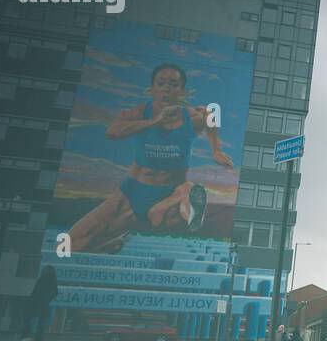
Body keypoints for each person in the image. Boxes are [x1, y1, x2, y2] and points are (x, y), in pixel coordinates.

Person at [66, 64, 234, 253]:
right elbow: (112, 132)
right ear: (152, 89)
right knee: (70, 244)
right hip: (133, 191)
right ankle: (109, 245)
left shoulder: (192, 118)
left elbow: (211, 117)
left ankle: (190, 208)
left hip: (172, 190)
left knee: (173, 205)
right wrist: (156, 121)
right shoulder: (138, 113)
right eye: (161, 83)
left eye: (173, 84)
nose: (167, 89)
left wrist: (216, 150)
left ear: (182, 91)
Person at [19, 266, 59, 341]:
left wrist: (46, 299)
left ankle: (30, 337)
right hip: (39, 303)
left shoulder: (46, 280)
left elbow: (54, 292)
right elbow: (54, 293)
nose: (45, 271)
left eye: (46, 270)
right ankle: (35, 339)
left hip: (38, 302)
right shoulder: (46, 279)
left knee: (34, 320)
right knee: (37, 321)